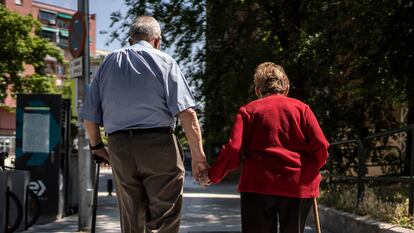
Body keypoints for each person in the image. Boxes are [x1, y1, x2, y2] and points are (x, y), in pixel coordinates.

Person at [80, 16, 209, 233]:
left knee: (131, 216)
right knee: (165, 215)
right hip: (158, 145)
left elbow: (89, 115)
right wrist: (198, 157)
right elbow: (186, 113)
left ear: (131, 40)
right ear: (157, 40)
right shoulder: (164, 61)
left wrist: (97, 147)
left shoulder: (109, 63)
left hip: (120, 147)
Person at [206, 62, 329, 233]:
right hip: (297, 184)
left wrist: (213, 175)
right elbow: (321, 145)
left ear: (258, 90)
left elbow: (234, 148)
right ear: (286, 87)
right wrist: (312, 169)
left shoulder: (248, 111)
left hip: (257, 185)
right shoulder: (302, 109)